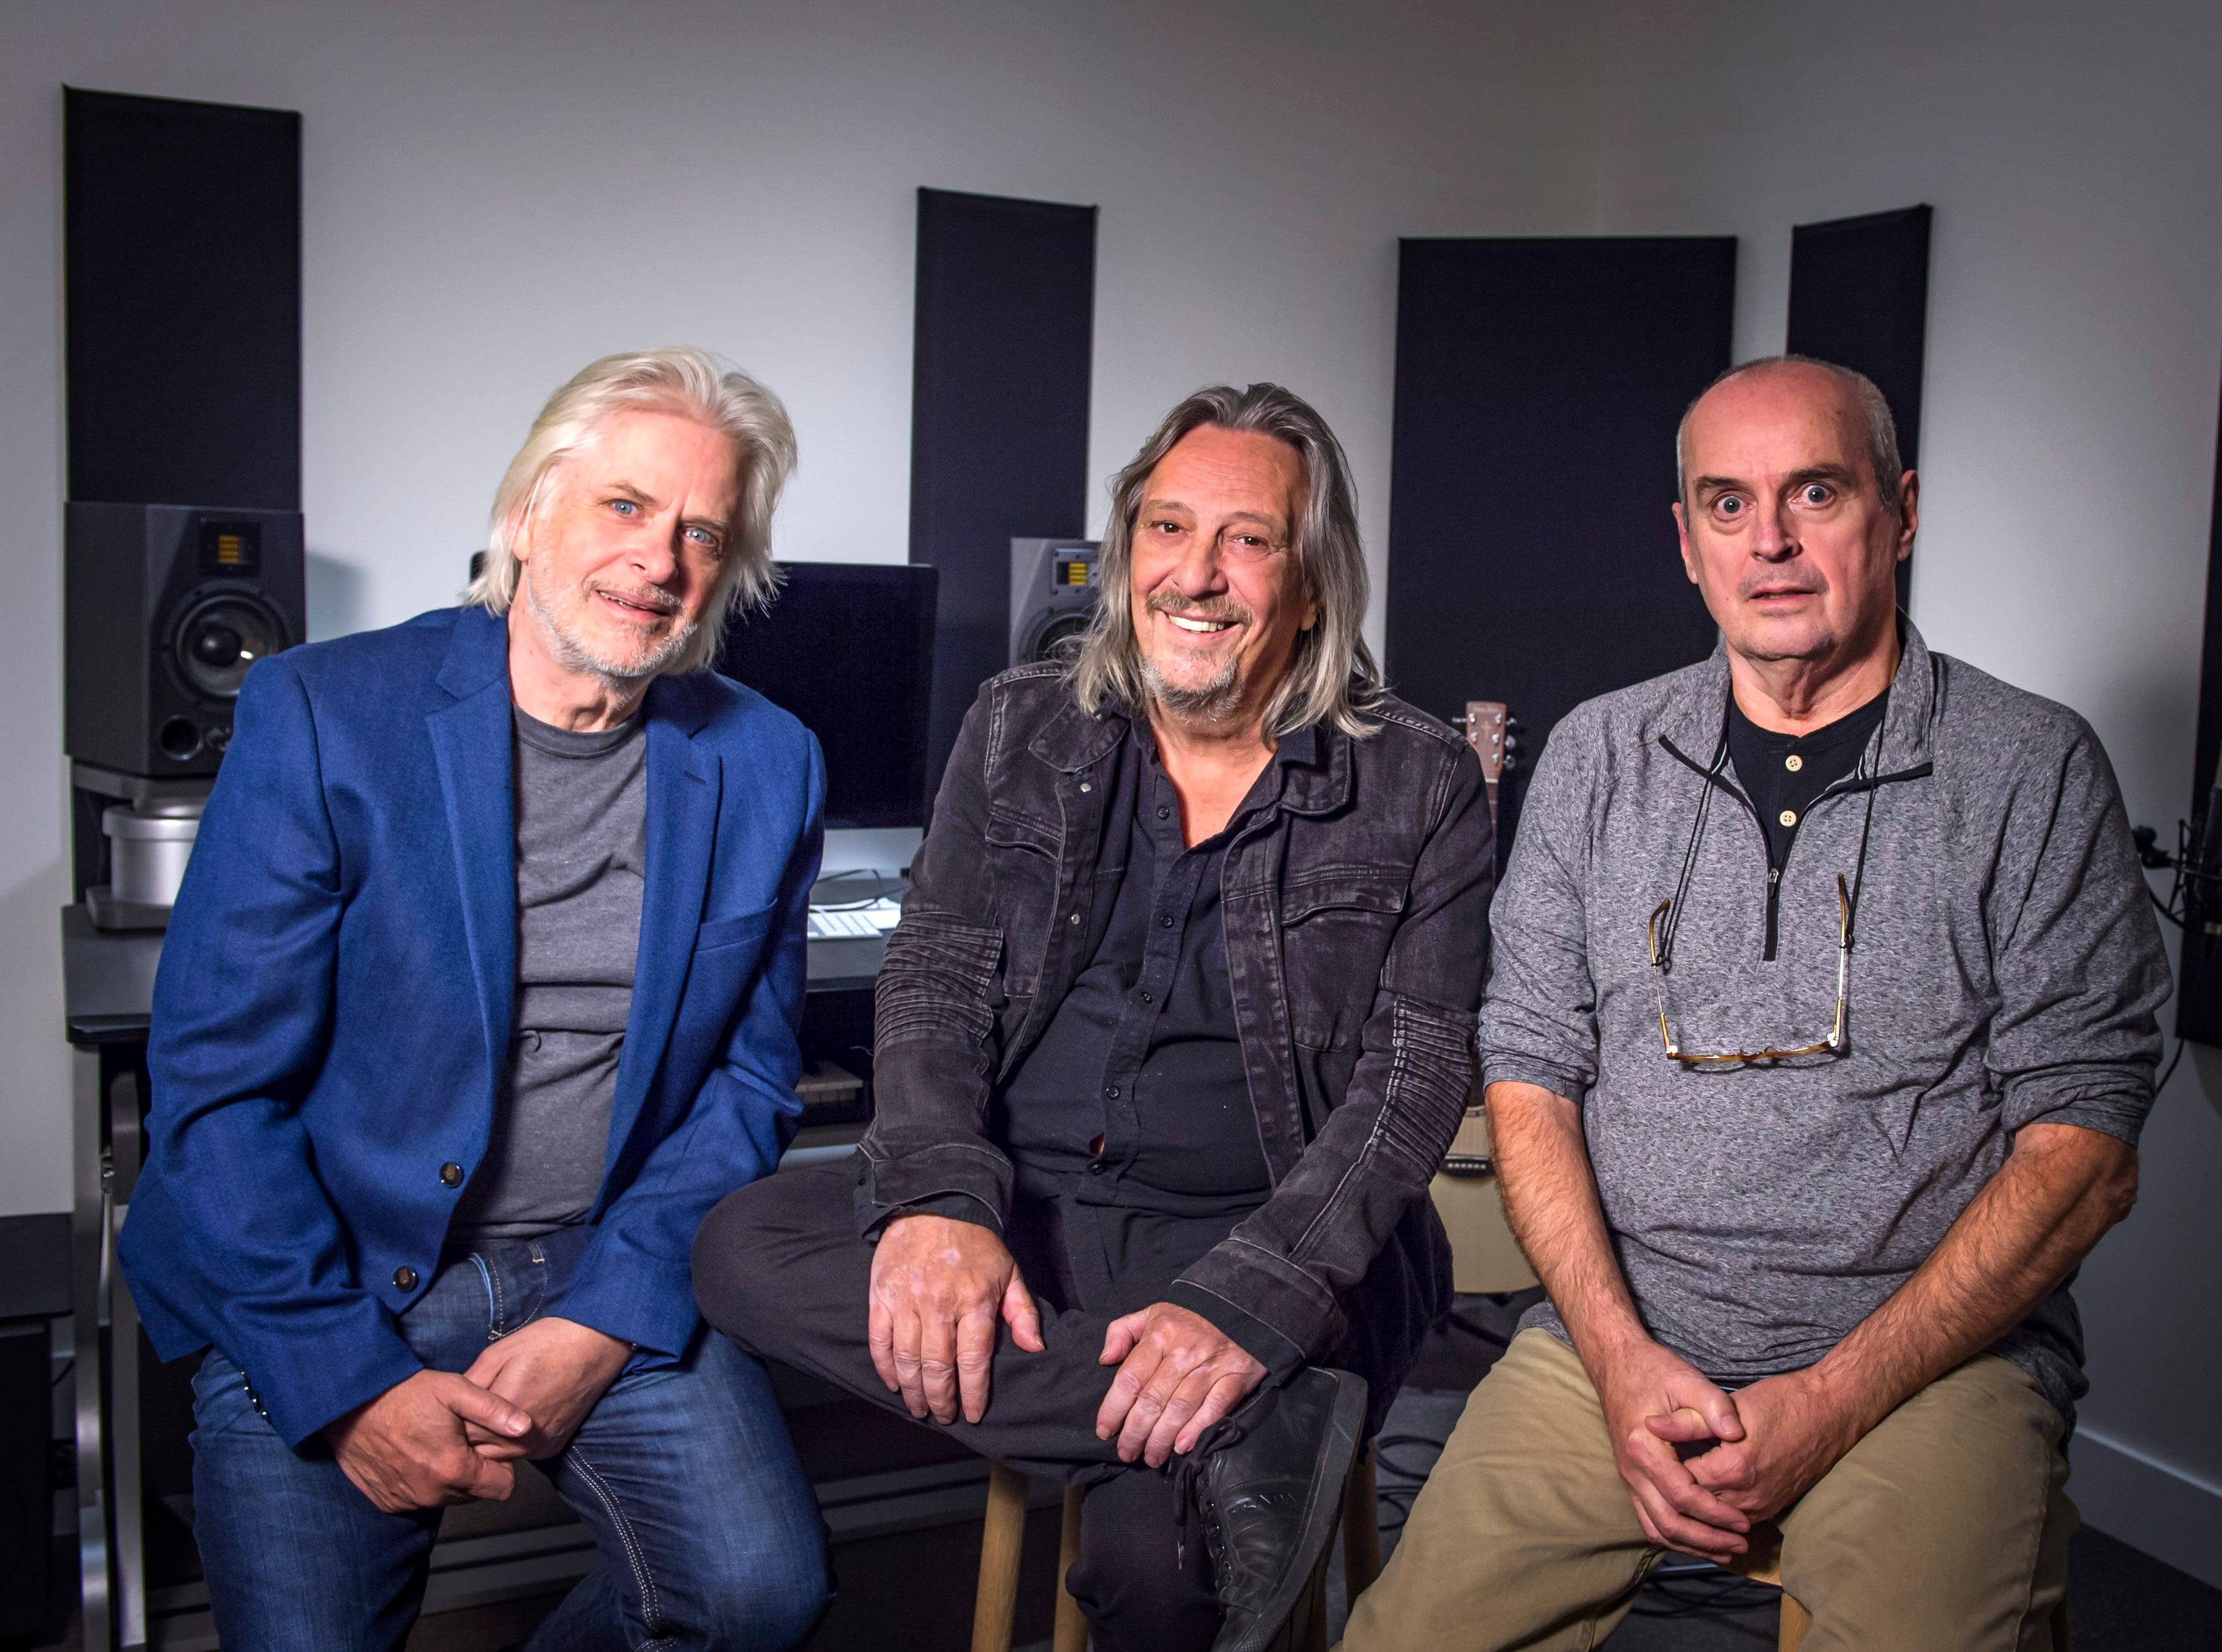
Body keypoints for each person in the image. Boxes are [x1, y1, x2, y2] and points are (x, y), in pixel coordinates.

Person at [1342, 356, 2170, 1651]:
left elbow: (2088, 1149)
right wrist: (1620, 1358)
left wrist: (1832, 1399)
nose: (1771, 542)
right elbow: (1530, 1069)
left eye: (1816, 494)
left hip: (1926, 1368)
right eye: (1728, 505)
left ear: (1900, 512)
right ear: (1686, 541)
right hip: (1621, 1343)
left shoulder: (2029, 768)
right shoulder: (1602, 755)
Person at [694, 383, 1493, 1652]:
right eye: (1169, 528)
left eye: (1248, 537)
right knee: (743, 1241)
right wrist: (943, 1205)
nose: (1199, 573)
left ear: (1313, 575)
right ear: (1127, 551)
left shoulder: (1419, 776)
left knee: (1163, 1574)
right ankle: (1241, 1418)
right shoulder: (1022, 724)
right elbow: (937, 976)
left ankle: (1236, 1376)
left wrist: (1251, 1302)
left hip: (1258, 1223)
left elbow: (1412, 1080)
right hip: (1037, 1209)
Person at [120, 348, 834, 1651]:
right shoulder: (327, 711)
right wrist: (345, 1381)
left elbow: (745, 1087)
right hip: (330, 1261)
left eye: (701, 531)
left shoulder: (769, 759)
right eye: (624, 506)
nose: (659, 558)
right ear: (528, 514)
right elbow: (216, 1093)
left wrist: (607, 1316)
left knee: (755, 1597)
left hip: (596, 1249)